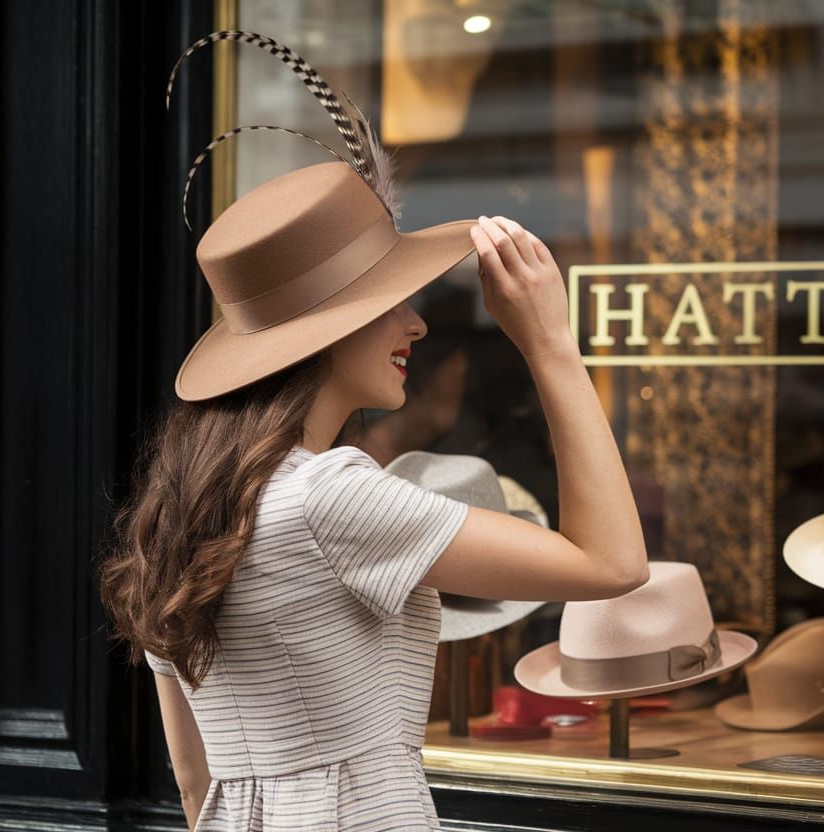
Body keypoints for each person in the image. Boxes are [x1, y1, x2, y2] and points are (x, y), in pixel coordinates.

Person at [99, 201, 649, 830]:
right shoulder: (329, 493)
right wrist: (550, 344)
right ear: (331, 326)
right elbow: (612, 563)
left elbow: (194, 781)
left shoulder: (184, 509)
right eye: (390, 300)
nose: (415, 325)